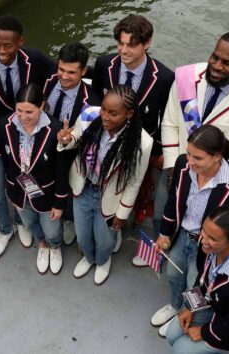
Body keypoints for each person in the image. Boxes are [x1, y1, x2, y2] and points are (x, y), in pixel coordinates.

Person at [152, 31, 229, 268]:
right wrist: (175, 165)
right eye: (214, 57)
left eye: (227, 63)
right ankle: (162, 254)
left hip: (213, 181)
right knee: (163, 213)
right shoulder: (185, 77)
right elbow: (170, 123)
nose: (216, 66)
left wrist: (201, 175)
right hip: (178, 166)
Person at [151, 125, 229, 337]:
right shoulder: (182, 165)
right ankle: (175, 305)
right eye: (188, 154)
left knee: (195, 284)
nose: (189, 161)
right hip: (181, 236)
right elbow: (173, 202)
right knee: (172, 274)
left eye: (197, 158)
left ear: (217, 156)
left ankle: (186, 312)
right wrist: (164, 233)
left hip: (207, 247)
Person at [0, 15, 56, 255]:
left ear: (21, 42)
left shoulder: (35, 59)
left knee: (22, 186)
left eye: (8, 46)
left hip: (27, 141)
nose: (2, 51)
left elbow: (56, 73)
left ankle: (22, 222)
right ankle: (6, 229)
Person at [57, 85, 152, 285]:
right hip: (83, 188)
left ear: (129, 113)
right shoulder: (90, 114)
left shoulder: (142, 142)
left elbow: (134, 182)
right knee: (82, 236)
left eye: (113, 113)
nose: (105, 116)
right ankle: (89, 257)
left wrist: (122, 214)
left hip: (110, 197)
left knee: (105, 240)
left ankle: (102, 260)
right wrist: (67, 139)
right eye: (103, 109)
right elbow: (76, 138)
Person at [91, 14, 174, 238]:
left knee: (133, 191)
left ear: (147, 43)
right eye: (120, 43)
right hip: (105, 143)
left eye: (132, 45)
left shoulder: (165, 78)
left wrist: (158, 152)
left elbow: (167, 118)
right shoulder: (103, 64)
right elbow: (95, 100)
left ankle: (120, 226)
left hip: (139, 148)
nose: (123, 50)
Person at [166, 207, 229, 353]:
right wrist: (190, 308)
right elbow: (203, 279)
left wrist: (204, 332)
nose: (203, 240)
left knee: (180, 349)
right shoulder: (211, 247)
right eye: (204, 230)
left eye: (212, 238)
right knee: (171, 334)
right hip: (214, 304)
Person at [0, 84, 68, 274]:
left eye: (29, 111)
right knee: (29, 223)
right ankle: (42, 245)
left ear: (42, 106)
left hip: (47, 193)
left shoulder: (56, 130)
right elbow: (6, 162)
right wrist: (10, 187)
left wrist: (59, 202)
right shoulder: (4, 125)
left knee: (52, 228)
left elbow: (62, 169)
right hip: (19, 191)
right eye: (19, 110)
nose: (23, 116)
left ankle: (54, 246)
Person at [43, 42, 101, 245]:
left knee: (67, 186)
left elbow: (88, 138)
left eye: (71, 72)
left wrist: (69, 140)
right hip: (43, 147)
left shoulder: (92, 102)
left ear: (84, 70)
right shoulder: (47, 81)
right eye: (61, 70)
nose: (64, 77)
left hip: (70, 153)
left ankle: (68, 219)